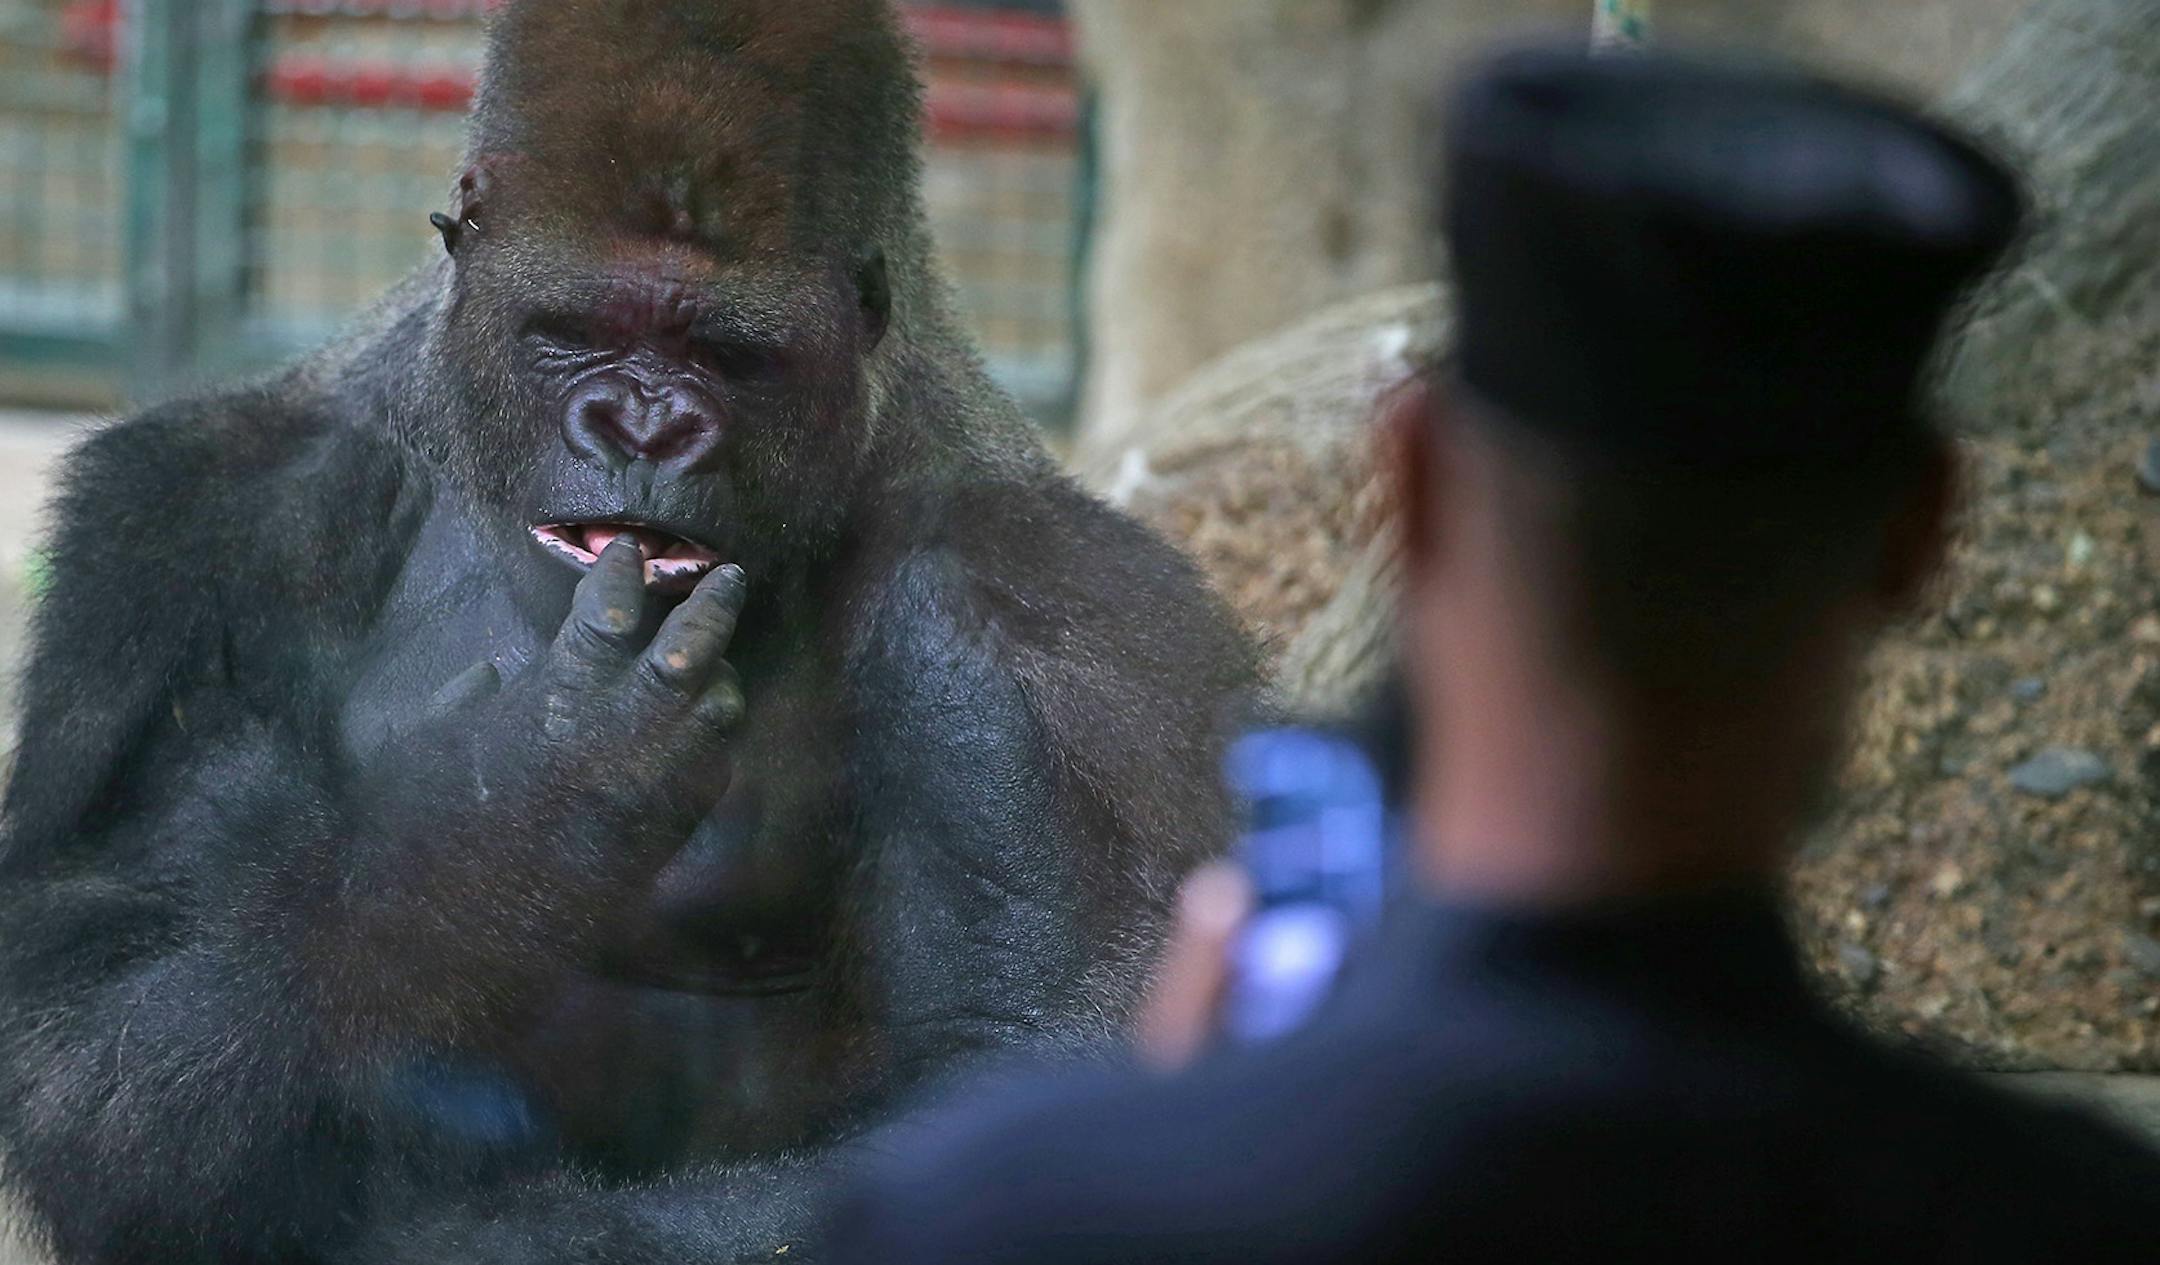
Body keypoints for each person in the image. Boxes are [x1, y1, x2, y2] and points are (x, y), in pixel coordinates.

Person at [824, 43, 2160, 1262]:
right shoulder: (2072, 1218)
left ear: (1409, 479)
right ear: (1921, 531)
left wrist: (1169, 1130)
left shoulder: (998, 1210)